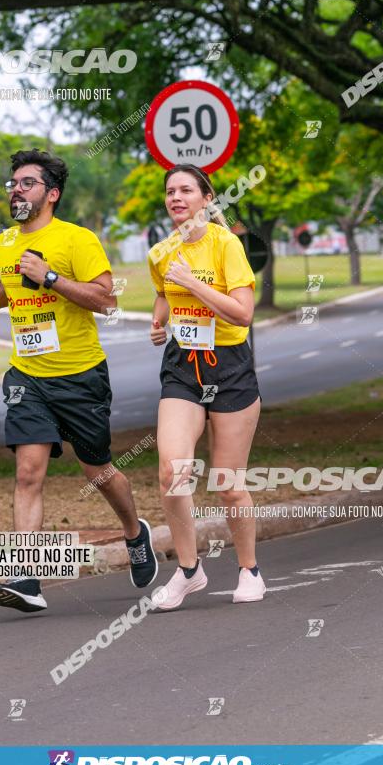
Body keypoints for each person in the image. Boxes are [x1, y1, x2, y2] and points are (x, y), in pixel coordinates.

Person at [0, 148, 157, 613]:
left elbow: (106, 300)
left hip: (80, 375)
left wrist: (51, 276)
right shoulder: (5, 242)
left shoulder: (78, 240)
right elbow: (9, 284)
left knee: (97, 471)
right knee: (28, 471)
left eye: (27, 183)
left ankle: (136, 533)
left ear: (51, 194)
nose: (16, 189)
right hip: (27, 375)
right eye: (13, 183)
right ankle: (27, 577)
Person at [148, 163, 264, 610]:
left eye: (186, 190)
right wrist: (160, 322)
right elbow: (163, 293)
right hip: (182, 367)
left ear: (206, 198)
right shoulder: (161, 252)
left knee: (228, 483)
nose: (176, 198)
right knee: (171, 470)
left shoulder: (227, 245)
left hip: (230, 367)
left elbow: (242, 314)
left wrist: (193, 284)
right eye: (170, 191)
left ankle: (249, 569)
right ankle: (189, 571)